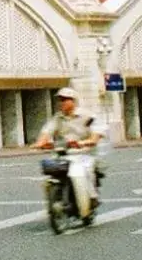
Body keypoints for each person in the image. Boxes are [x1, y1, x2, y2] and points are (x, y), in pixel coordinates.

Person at [32, 88, 105, 220]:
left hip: (85, 153)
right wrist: (40, 143)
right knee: (51, 171)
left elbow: (95, 134)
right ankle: (55, 198)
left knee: (86, 172)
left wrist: (87, 142)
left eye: (65, 99)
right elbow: (47, 132)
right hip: (64, 153)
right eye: (60, 100)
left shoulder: (87, 116)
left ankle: (91, 198)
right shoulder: (58, 118)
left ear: (73, 101)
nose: (62, 103)